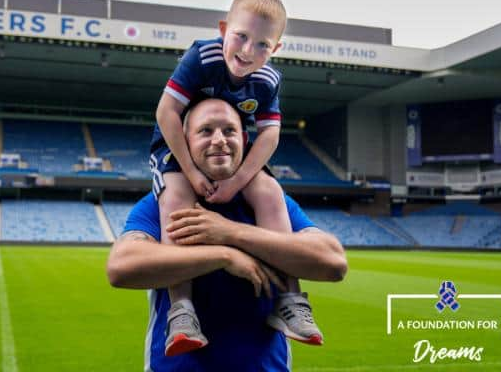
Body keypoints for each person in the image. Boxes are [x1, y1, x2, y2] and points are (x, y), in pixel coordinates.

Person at [108, 99, 347, 371]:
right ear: (184, 143)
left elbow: (334, 263)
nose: (219, 140)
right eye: (206, 131)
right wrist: (224, 256)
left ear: (245, 141)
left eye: (229, 131)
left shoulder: (271, 202)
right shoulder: (162, 203)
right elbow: (121, 267)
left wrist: (230, 232)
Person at [150, 0, 321, 356]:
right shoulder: (202, 55)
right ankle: (181, 308)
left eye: (262, 44)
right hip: (179, 144)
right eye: (241, 36)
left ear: (275, 49)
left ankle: (289, 299)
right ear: (224, 28)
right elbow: (166, 113)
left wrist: (237, 181)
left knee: (270, 192)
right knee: (177, 194)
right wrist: (194, 173)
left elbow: (270, 134)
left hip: (230, 149)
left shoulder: (268, 80)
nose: (247, 51)